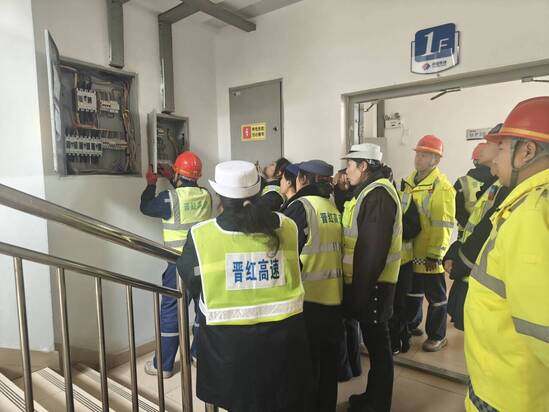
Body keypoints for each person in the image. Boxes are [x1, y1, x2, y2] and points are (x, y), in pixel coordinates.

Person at [176, 160, 311, 412]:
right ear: (259, 191)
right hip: (284, 347)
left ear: (220, 195)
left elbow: (191, 278)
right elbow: (296, 269)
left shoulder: (202, 235)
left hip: (229, 352)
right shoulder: (288, 227)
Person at [464, 97, 549, 411]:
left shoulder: (532, 212)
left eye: (501, 148)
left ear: (526, 152)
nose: (492, 159)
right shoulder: (528, 203)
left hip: (510, 394)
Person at [341, 144, 402, 412]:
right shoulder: (369, 191)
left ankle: (378, 405)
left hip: (374, 285)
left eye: (350, 165)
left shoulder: (378, 195)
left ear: (364, 166)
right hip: (370, 284)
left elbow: (372, 252)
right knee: (376, 345)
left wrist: (359, 293)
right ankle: (373, 397)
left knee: (379, 347)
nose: (346, 170)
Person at [140, 152, 212, 377]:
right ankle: (198, 355)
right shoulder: (206, 195)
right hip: (203, 263)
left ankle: (163, 366)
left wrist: (151, 184)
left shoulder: (168, 198)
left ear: (179, 173)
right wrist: (174, 178)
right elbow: (186, 198)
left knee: (171, 313)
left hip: (178, 265)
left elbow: (146, 207)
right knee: (202, 310)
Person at [282, 160, 343, 412]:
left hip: (308, 300)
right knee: (328, 366)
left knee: (306, 367)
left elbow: (284, 252)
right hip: (334, 298)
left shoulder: (301, 207)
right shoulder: (332, 207)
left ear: (303, 179)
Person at [444, 127, 510, 331]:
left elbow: (485, 232)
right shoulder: (494, 185)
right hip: (471, 272)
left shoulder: (506, 189)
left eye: (489, 143)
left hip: (478, 276)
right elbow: (476, 225)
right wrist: (456, 251)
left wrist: (460, 259)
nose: (482, 148)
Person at [403, 135, 456, 352]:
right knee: (413, 292)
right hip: (411, 252)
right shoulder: (408, 182)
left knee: (436, 297)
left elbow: (443, 224)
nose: (418, 158)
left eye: (424, 155)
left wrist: (436, 254)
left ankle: (437, 336)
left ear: (436, 160)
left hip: (429, 255)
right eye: (418, 154)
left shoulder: (441, 187)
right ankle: (412, 325)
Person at [388, 180, 421, 355]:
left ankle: (399, 341)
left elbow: (414, 228)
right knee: (385, 306)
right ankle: (390, 341)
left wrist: (393, 224)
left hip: (402, 264)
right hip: (380, 264)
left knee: (399, 305)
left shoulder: (404, 199)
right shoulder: (368, 198)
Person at [454, 143, 496, 237]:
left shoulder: (462, 182)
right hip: (490, 236)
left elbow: (456, 210)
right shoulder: (499, 182)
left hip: (465, 235)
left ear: (475, 161)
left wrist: (469, 228)